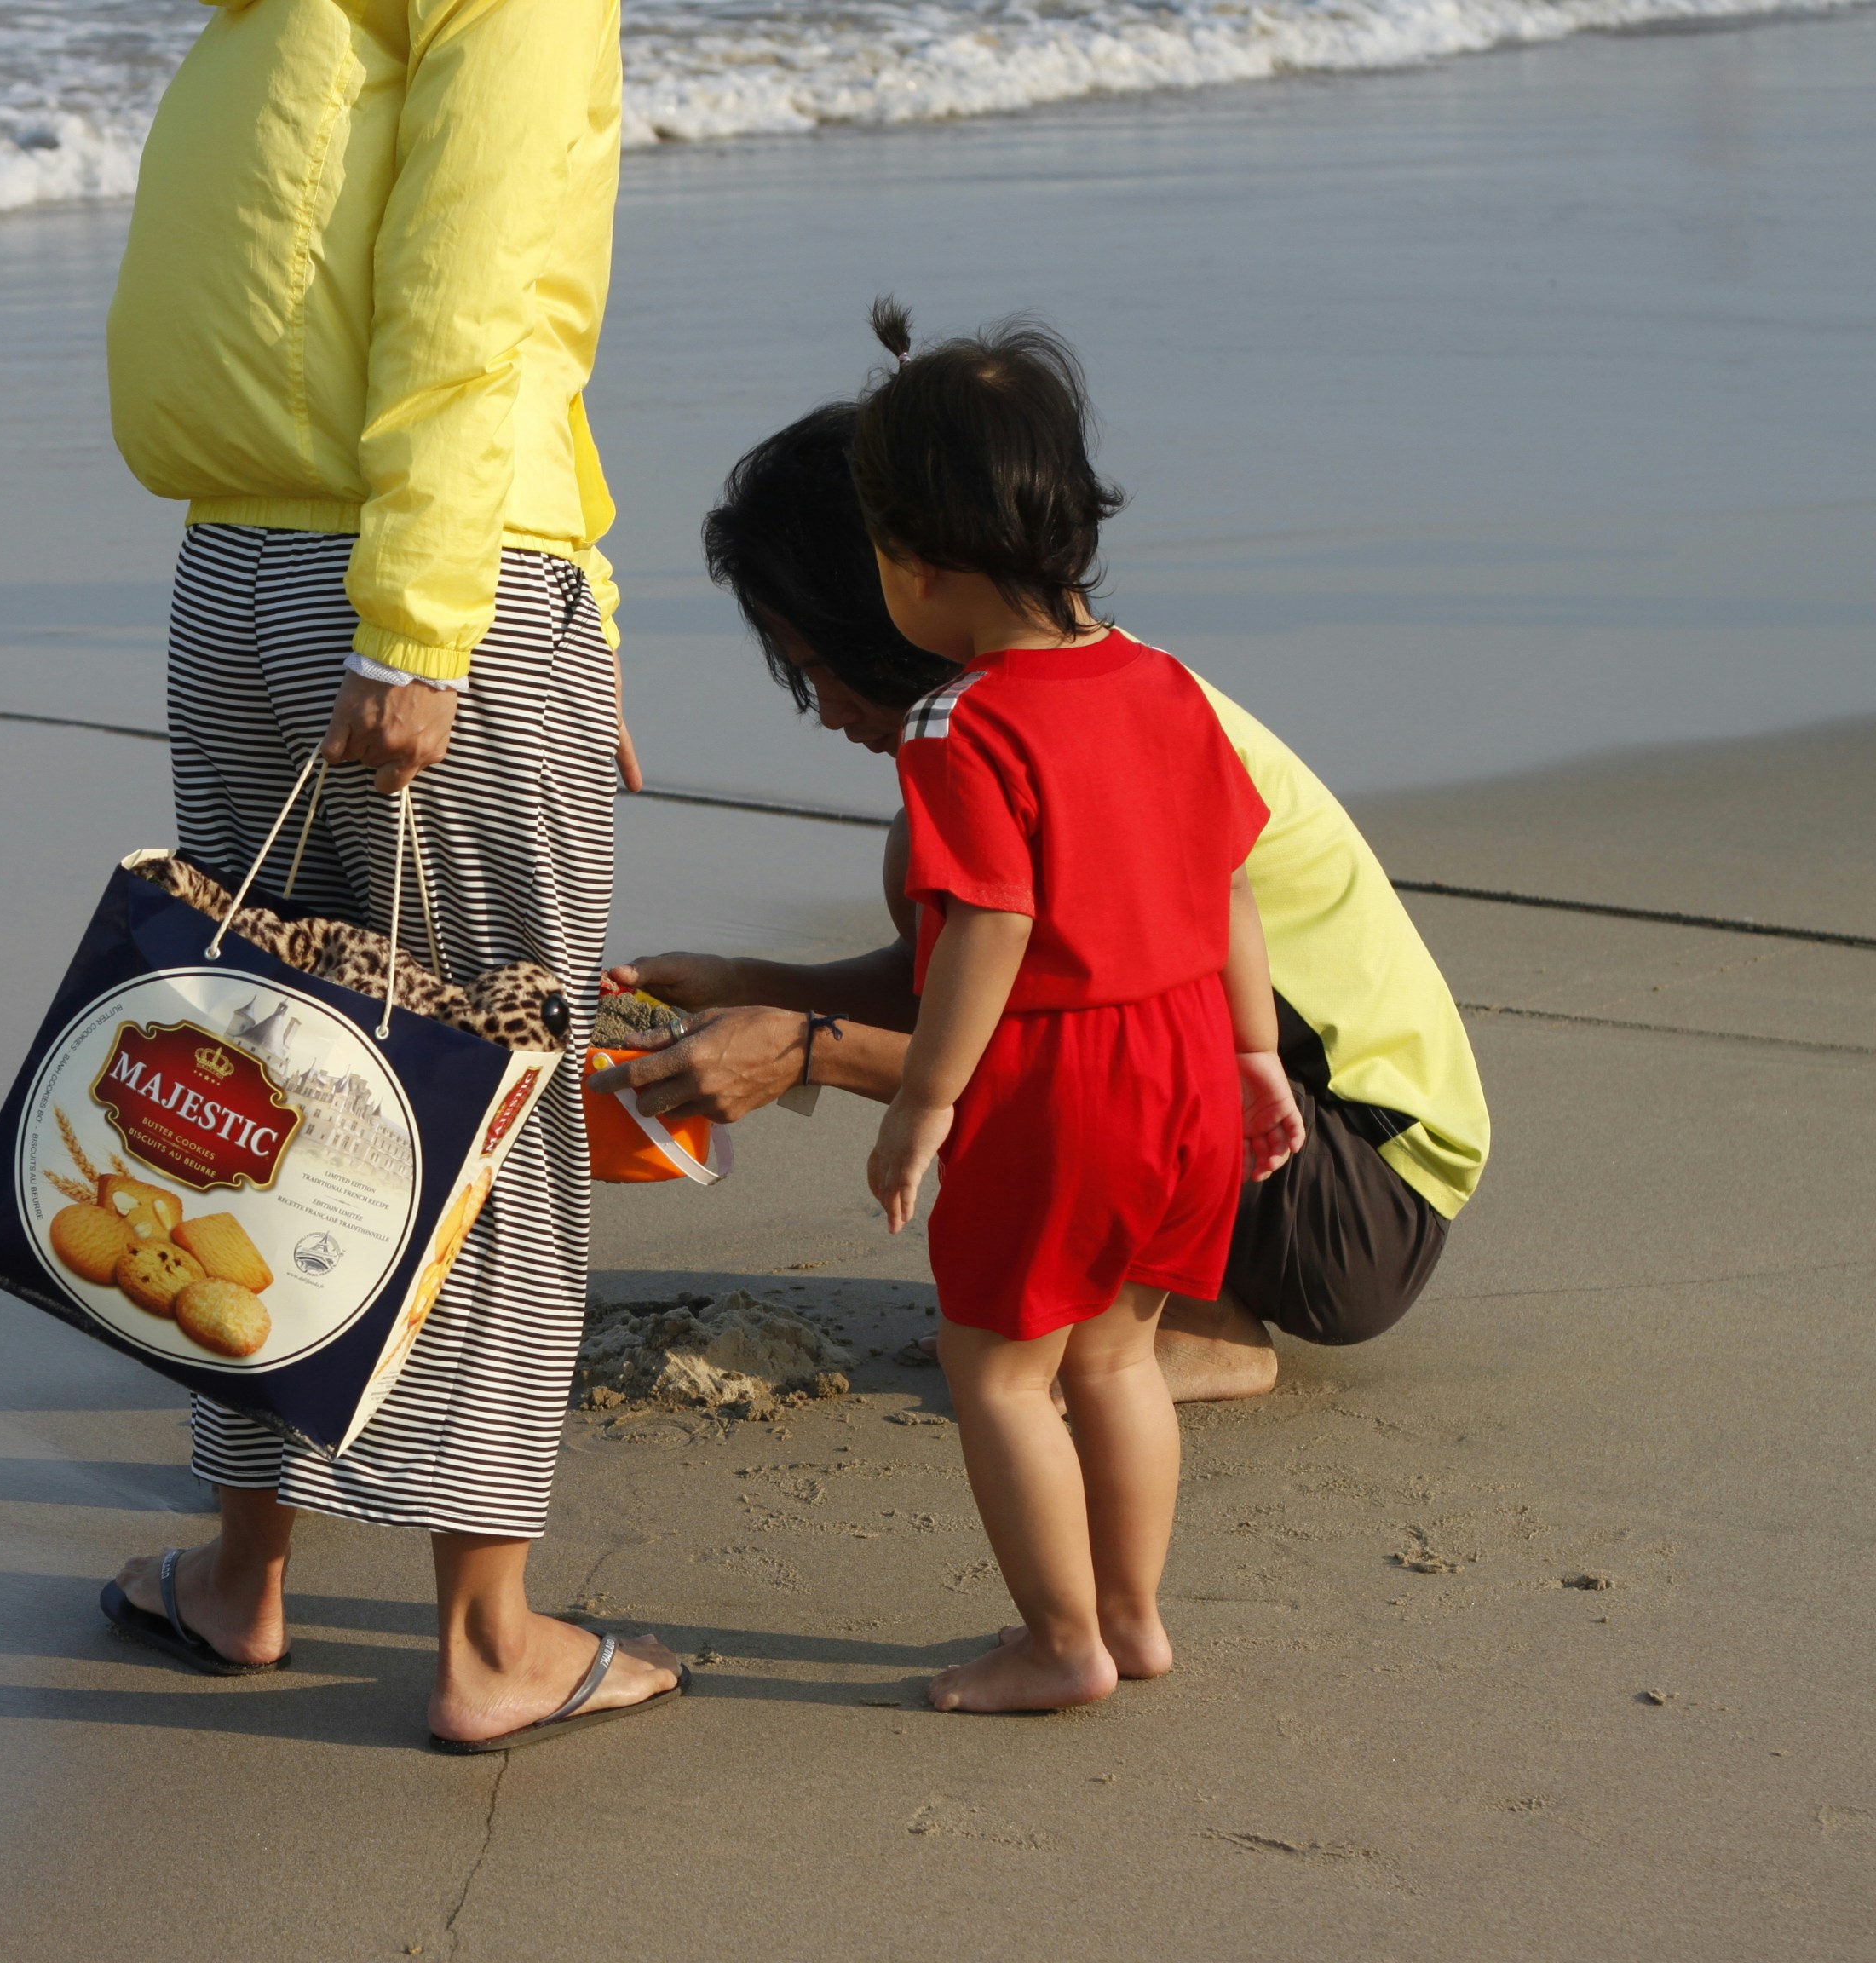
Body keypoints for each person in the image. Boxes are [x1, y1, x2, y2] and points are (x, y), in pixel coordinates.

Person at [92, 0, 682, 1750]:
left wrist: (577, 605)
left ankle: (242, 1574)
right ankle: (488, 1641)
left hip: (236, 577)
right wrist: (433, 618)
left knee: (250, 1077)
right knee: (484, 1097)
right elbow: (473, 279)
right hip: (416, 589)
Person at [600, 403, 1490, 1402]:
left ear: (899, 592)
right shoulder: (1073, 691)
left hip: (1356, 1189)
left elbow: (1083, 1059)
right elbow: (970, 988)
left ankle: (1201, 1326)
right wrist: (744, 985)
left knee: (996, 966)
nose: (829, 714)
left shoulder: (1086, 745)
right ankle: (1140, 1297)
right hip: (1273, 1127)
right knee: (937, 891)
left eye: (819, 672)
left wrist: (809, 1052)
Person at [836, 302, 1301, 1712]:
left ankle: (1059, 1640)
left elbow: (993, 918)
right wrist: (1256, 1051)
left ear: (915, 563)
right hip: (1188, 1057)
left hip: (1062, 1078)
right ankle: (1135, 1617)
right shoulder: (1163, 681)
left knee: (996, 1370)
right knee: (1117, 1353)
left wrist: (924, 1101)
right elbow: (1229, 881)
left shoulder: (959, 719)